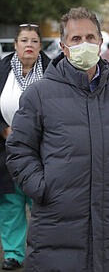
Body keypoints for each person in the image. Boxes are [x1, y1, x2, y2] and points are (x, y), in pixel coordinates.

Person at [5, 7, 109, 272]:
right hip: (56, 230)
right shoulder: (40, 94)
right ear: (63, 46)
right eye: (76, 39)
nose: (84, 44)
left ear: (99, 42)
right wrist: (43, 187)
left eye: (90, 37)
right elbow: (19, 149)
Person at [0, 24, 51, 270]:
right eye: (23, 40)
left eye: (33, 40)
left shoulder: (54, 71)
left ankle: (42, 252)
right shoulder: (2, 69)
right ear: (16, 44)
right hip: (7, 147)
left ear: (40, 46)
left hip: (42, 150)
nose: (28, 44)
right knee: (10, 202)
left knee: (41, 202)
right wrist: (3, 128)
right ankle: (13, 254)